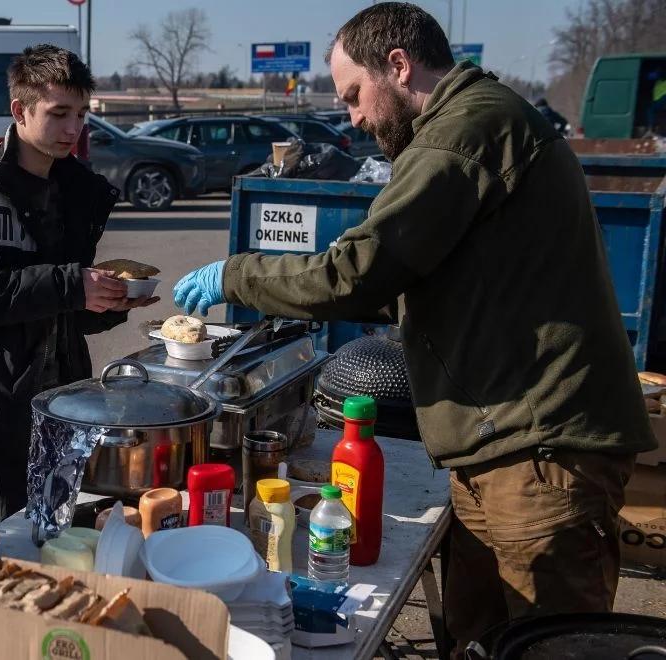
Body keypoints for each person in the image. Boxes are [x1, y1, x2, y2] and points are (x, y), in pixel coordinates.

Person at [173, 3, 654, 654]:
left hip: (541, 451)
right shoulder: (477, 123)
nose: (353, 118)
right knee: (478, 638)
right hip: (500, 445)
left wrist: (238, 276)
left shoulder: (464, 131)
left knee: (548, 645)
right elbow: (414, 281)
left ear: (397, 65)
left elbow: (359, 271)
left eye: (352, 96)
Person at [0, 45, 155, 523]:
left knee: (56, 526)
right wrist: (74, 286)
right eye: (59, 113)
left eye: (82, 113)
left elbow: (58, 307)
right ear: (19, 110)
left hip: (61, 399)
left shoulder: (74, 187)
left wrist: (105, 301)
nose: (74, 129)